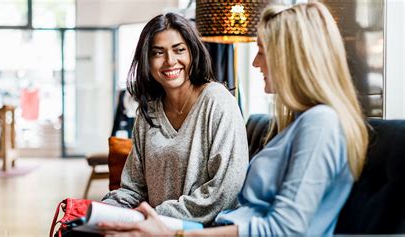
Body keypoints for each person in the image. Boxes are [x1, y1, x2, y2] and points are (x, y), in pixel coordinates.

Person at [98, 2, 369, 236]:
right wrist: (104, 211)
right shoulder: (301, 123)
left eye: (262, 50)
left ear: (290, 58)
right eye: (158, 52)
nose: (255, 63)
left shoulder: (320, 124)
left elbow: (284, 229)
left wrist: (171, 232)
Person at [101, 13, 249, 225]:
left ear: (193, 53)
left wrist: (154, 217)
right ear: (147, 60)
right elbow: (133, 188)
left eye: (179, 50)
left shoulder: (218, 101)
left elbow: (224, 193)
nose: (170, 61)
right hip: (155, 227)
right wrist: (102, 210)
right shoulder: (148, 112)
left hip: (204, 231)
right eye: (158, 53)